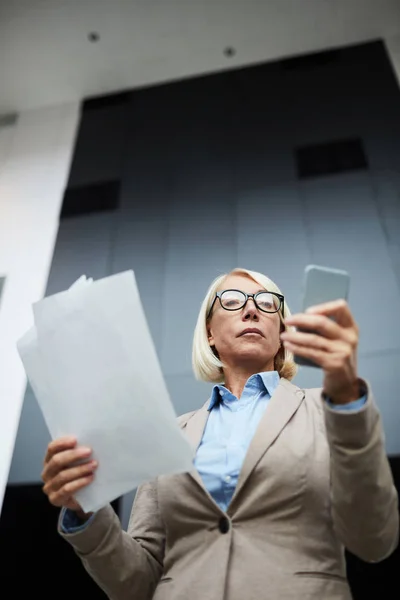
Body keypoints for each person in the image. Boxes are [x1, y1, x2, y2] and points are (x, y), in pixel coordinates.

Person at [41, 267, 399, 600]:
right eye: (231, 301)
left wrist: (348, 400)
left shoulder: (333, 408)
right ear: (210, 333)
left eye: (266, 304)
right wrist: (86, 513)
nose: (251, 311)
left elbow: (374, 539)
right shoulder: (171, 434)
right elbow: (139, 581)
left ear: (282, 334)